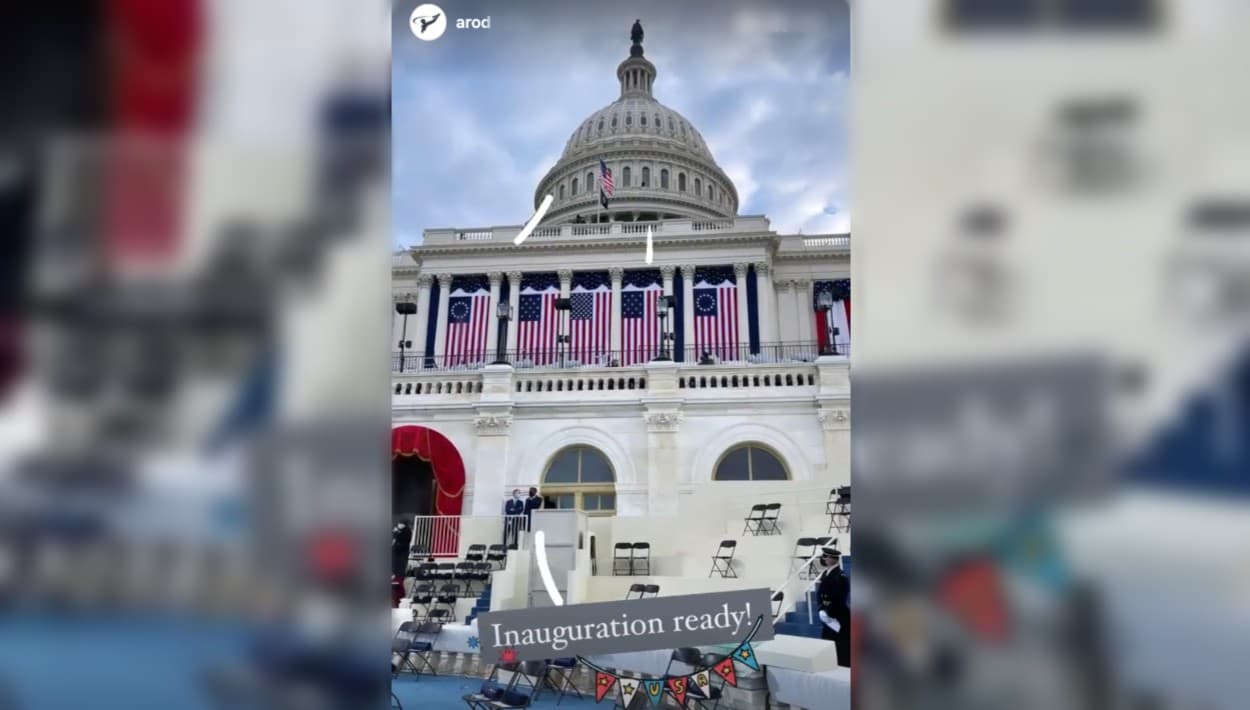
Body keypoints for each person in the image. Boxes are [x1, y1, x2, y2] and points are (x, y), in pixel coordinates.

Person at [817, 544, 851, 667]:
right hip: (826, 615)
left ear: (833, 559)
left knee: (841, 644)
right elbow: (821, 594)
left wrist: (829, 612)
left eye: (825, 557)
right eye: (823, 556)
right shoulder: (826, 574)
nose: (823, 559)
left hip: (838, 615)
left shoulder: (840, 576)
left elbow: (840, 598)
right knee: (828, 643)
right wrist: (821, 609)